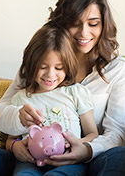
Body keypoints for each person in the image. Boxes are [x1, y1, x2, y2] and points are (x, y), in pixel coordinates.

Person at [0, 0, 125, 175]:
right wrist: (17, 130)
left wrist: (87, 150)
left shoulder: (118, 69)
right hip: (31, 158)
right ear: (62, 22)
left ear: (104, 24)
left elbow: (117, 133)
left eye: (93, 23)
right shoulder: (37, 65)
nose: (84, 33)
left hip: (90, 158)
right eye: (75, 22)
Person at [6, 24, 98, 176]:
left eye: (58, 68)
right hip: (30, 163)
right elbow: (11, 139)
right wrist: (15, 147)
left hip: (69, 162)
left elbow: (92, 134)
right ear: (31, 64)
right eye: (43, 67)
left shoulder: (75, 92)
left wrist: (76, 144)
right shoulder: (20, 98)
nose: (50, 75)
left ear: (68, 67)